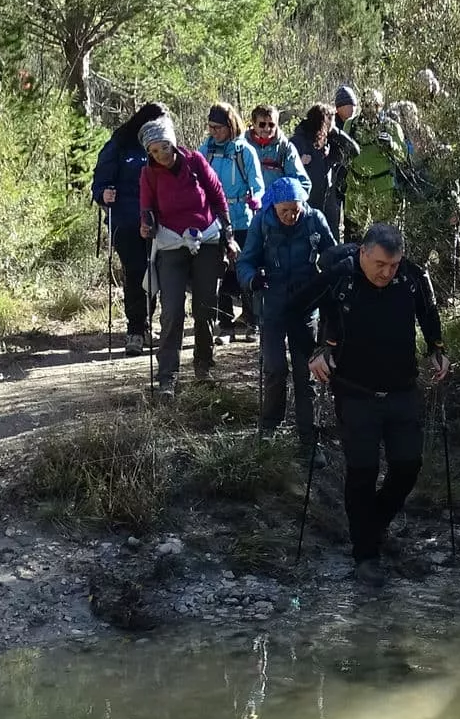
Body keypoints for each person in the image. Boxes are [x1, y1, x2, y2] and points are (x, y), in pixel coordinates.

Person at [309, 223, 445, 587]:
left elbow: (428, 313)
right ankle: (365, 555)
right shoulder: (342, 276)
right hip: (355, 391)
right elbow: (306, 310)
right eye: (381, 264)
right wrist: (317, 352)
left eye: (394, 265)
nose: (388, 272)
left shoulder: (410, 278)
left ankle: (373, 524)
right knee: (362, 472)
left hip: (402, 388)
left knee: (408, 466)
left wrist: (437, 348)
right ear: (364, 253)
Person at [234, 176, 337, 462]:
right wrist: (252, 279)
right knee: (275, 370)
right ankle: (269, 427)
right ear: (274, 207)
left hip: (306, 306)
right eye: (285, 211)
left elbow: (332, 254)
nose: (291, 216)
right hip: (273, 305)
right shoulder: (262, 223)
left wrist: (334, 279)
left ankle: (309, 440)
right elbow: (245, 262)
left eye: (296, 210)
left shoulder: (315, 220)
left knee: (307, 375)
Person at [136, 114, 229, 394]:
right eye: (153, 151)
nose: (160, 155)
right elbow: (146, 208)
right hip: (170, 243)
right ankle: (168, 377)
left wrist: (229, 233)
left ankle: (203, 366)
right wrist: (146, 225)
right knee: (172, 310)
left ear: (172, 143)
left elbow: (217, 195)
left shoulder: (195, 162)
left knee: (204, 307)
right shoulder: (149, 173)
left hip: (207, 239)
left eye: (163, 147)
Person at [91, 101, 166, 353]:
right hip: (126, 220)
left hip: (159, 221)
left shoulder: (164, 146)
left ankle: (150, 325)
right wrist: (104, 194)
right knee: (136, 272)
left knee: (156, 271)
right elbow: (99, 182)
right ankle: (135, 329)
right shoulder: (119, 145)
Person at [200, 103, 265, 338]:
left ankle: (252, 320)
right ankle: (225, 323)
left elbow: (257, 185)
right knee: (221, 270)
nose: (213, 132)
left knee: (246, 269)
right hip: (214, 220)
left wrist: (257, 199)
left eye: (218, 127)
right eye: (210, 127)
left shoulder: (243, 151)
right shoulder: (204, 150)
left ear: (230, 126)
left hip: (243, 220)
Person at [344, 86, 402, 234]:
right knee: (353, 231)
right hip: (356, 186)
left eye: (375, 105)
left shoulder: (391, 127)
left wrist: (391, 145)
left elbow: (403, 157)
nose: (371, 110)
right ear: (362, 105)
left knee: (383, 234)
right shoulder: (351, 125)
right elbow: (342, 152)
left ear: (381, 106)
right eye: (367, 105)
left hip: (382, 188)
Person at [295, 104, 357, 238]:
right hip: (307, 203)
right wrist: (299, 161)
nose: (333, 123)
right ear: (322, 120)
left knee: (331, 243)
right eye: (331, 119)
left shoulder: (330, 140)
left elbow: (354, 151)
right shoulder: (298, 141)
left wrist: (335, 131)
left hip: (328, 202)